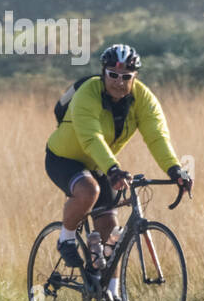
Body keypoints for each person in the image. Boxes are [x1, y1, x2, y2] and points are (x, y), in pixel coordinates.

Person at [45, 43, 192, 287]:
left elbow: (157, 137)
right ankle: (66, 238)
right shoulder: (88, 92)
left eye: (126, 77)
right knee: (89, 190)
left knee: (110, 230)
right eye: (113, 75)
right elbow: (91, 137)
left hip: (100, 163)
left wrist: (175, 169)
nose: (118, 82)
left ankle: (112, 295)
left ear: (134, 77)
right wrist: (113, 169)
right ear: (103, 73)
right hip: (64, 157)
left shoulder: (142, 98)